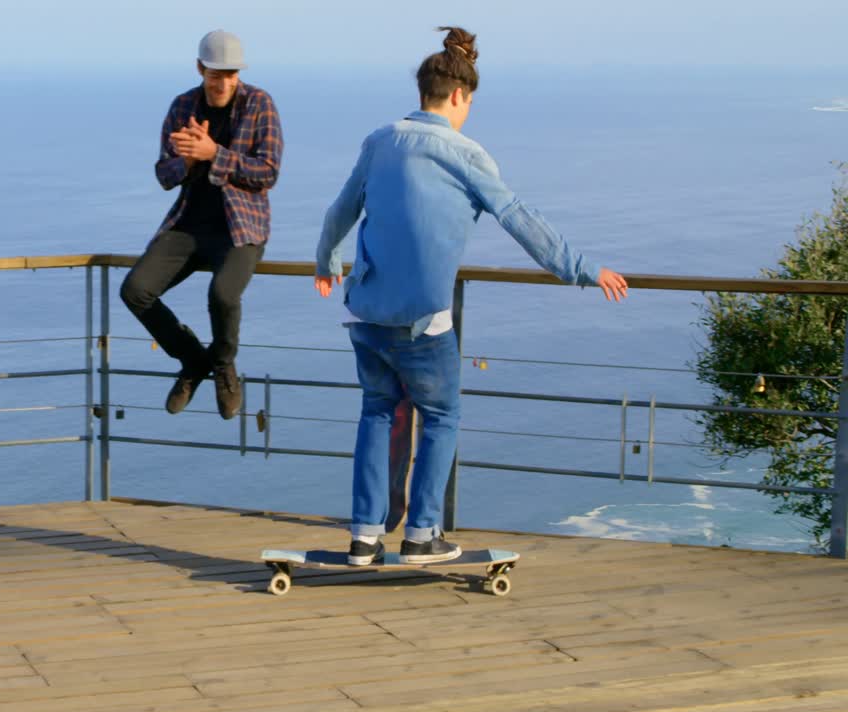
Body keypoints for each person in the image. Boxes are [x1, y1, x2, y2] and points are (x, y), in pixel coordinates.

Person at [314, 27, 629, 566]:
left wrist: (327, 264)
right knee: (441, 417)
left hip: (366, 313)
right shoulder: (467, 154)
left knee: (376, 413)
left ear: (425, 91)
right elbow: (521, 220)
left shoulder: (380, 141)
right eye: (469, 104)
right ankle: (421, 535)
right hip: (424, 322)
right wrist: (583, 270)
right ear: (459, 95)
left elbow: (340, 211)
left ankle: (364, 537)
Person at [119, 29, 283, 420]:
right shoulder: (182, 107)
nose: (223, 83)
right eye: (215, 74)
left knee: (223, 295)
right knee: (135, 291)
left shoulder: (259, 104)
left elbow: (268, 172)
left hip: (242, 226)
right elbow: (164, 174)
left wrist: (215, 153)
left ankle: (224, 366)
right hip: (189, 223)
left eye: (230, 74)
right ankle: (194, 360)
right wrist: (190, 161)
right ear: (200, 69)